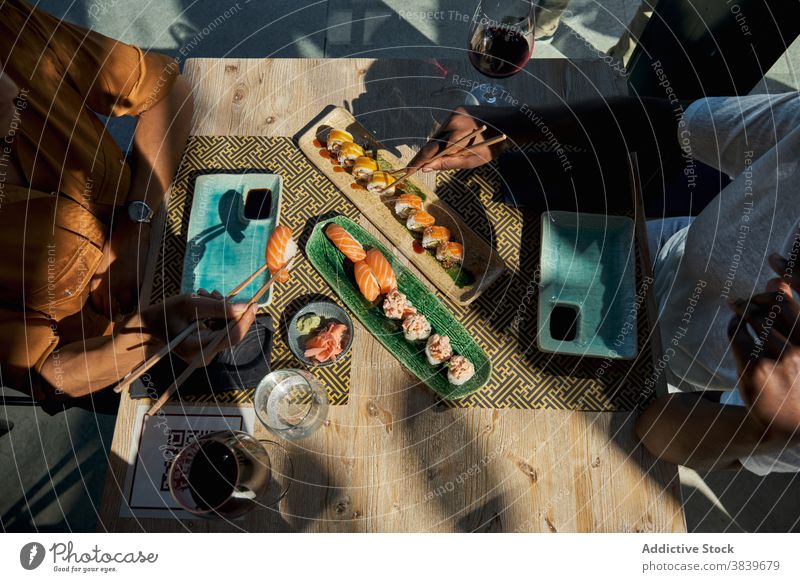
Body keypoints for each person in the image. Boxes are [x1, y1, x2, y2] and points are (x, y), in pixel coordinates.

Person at [409, 91, 800, 475]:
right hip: (641, 249)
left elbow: (657, 430)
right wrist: (507, 124)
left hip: (662, 375)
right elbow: (669, 124)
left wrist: (765, 429)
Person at [0, 0, 255, 404]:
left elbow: (169, 91)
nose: (12, 89)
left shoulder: (9, 29)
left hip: (165, 224)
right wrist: (150, 332)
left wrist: (136, 224)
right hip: (109, 358)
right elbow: (48, 374)